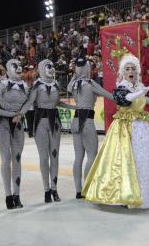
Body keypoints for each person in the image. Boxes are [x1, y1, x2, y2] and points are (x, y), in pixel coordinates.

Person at [82, 54, 149, 209]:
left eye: (133, 68)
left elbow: (144, 98)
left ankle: (145, 192)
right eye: (127, 69)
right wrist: (142, 91)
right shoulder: (121, 87)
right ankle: (126, 194)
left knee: (145, 156)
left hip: (141, 125)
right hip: (125, 128)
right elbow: (128, 98)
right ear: (123, 72)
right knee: (125, 159)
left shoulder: (138, 86)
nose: (130, 71)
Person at [18, 59, 76, 203]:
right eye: (48, 66)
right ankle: (46, 190)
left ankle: (54, 189)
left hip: (55, 122)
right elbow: (30, 102)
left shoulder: (56, 84)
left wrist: (75, 107)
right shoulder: (37, 85)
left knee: (54, 157)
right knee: (44, 157)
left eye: (52, 66)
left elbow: (58, 103)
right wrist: (19, 114)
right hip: (41, 124)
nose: (51, 69)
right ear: (42, 69)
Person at [67, 56, 114, 199]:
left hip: (75, 121)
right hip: (87, 120)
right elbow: (109, 96)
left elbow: (70, 86)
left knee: (78, 157)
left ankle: (78, 190)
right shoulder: (90, 83)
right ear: (87, 68)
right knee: (92, 155)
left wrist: (76, 73)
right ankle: (87, 187)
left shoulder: (73, 84)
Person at [0, 59, 28, 209]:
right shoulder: (2, 85)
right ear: (8, 69)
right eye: (15, 66)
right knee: (6, 157)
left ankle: (17, 195)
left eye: (20, 65)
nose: (19, 67)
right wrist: (12, 114)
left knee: (17, 159)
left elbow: (28, 103)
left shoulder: (25, 86)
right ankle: (8, 195)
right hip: (2, 122)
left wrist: (20, 114)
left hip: (17, 122)